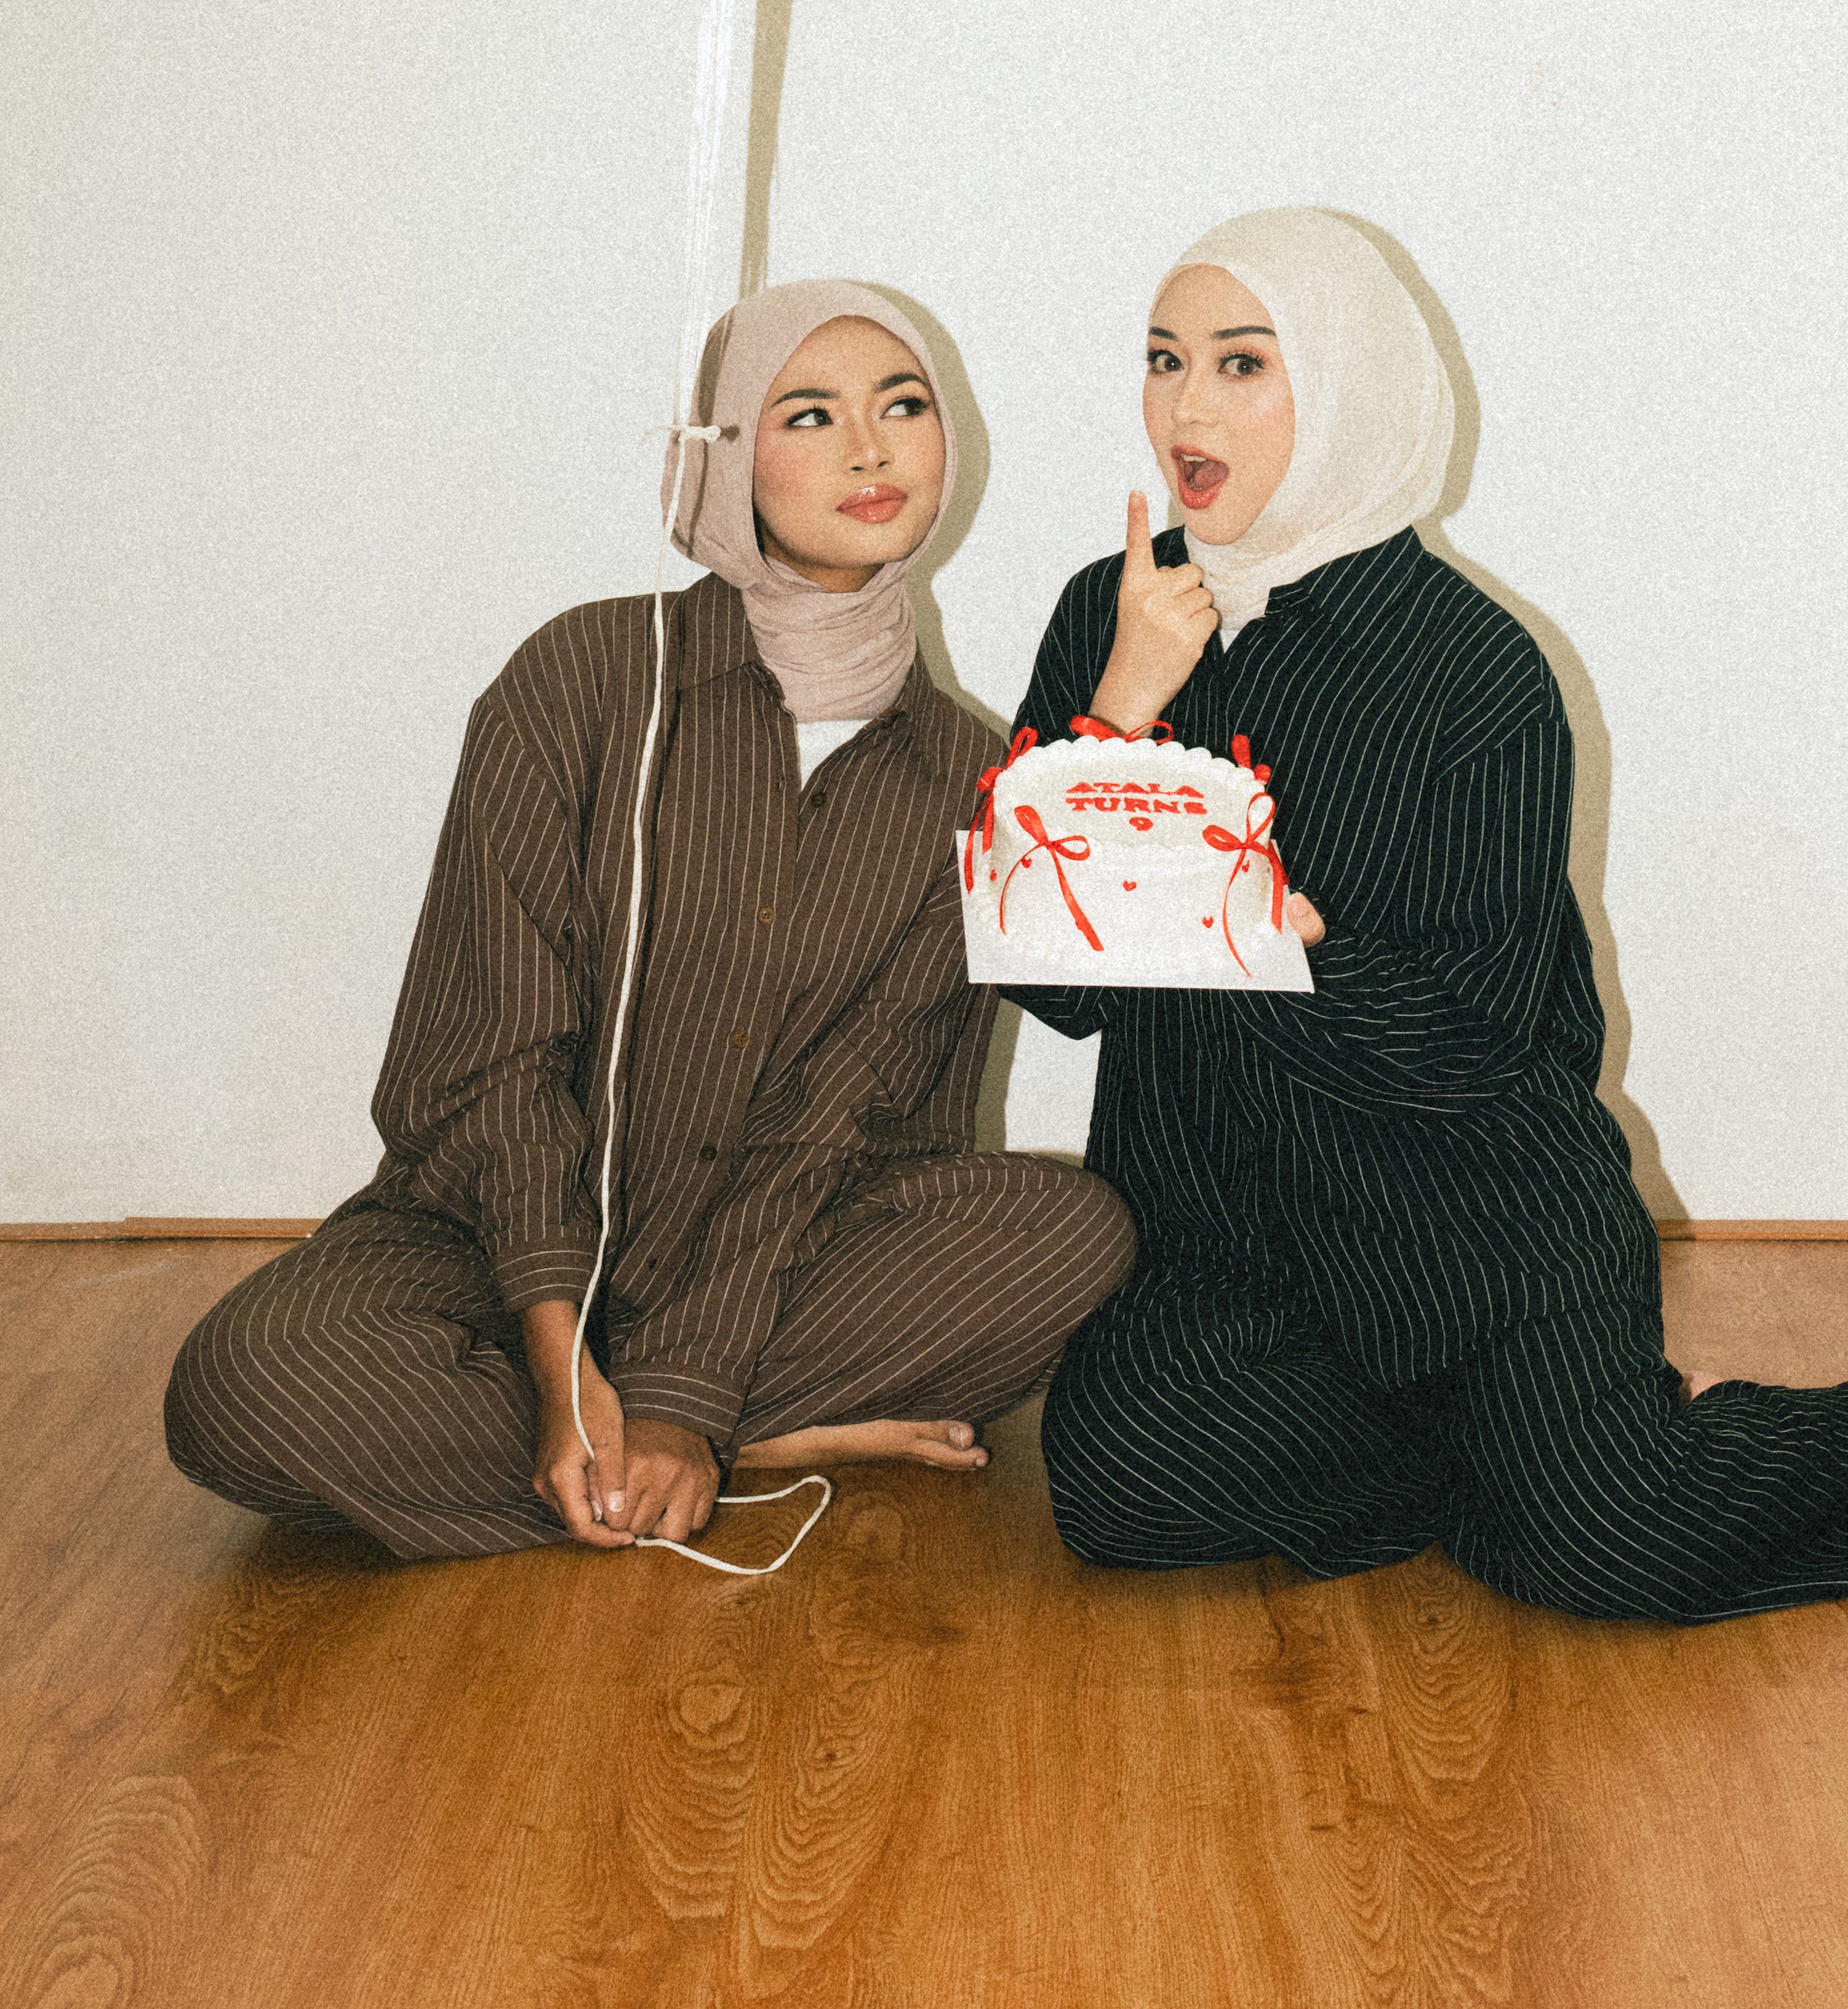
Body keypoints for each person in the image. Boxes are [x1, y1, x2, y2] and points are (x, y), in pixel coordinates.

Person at [1006, 206, 1848, 1617]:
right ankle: (1596, 1446)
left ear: (1346, 386)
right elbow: (1052, 984)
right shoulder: (1109, 613)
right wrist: (1120, 708)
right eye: (1163, 359)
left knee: (1612, 1549)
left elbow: (1476, 1043)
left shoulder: (1477, 668)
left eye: (1241, 362)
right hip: (1233, 1237)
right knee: (1119, 1485)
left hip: (1466, 1227)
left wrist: (1291, 943)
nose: (1186, 408)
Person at [166, 281, 1134, 1561]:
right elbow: (487, 1055)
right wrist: (564, 1365)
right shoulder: (584, 677)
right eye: (809, 413)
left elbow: (838, 1118)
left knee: (1074, 1237)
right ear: (723, 456)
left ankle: (665, 1439)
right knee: (244, 1389)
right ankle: (734, 1444)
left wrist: (684, 1385)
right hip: (494, 1249)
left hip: (788, 1252)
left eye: (903, 405)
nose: (869, 448)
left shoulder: (969, 777)